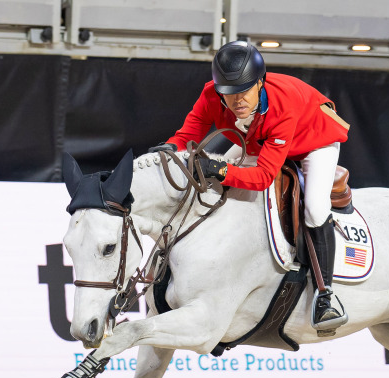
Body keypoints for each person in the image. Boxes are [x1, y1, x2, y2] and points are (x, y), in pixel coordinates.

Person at [149, 41, 349, 331]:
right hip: (257, 133)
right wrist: (168, 149)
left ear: (260, 82)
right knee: (207, 173)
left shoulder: (283, 106)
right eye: (229, 94)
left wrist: (219, 169)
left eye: (244, 91)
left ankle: (326, 294)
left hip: (313, 139)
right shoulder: (212, 94)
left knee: (315, 209)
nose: (237, 100)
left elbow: (264, 176)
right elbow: (187, 134)